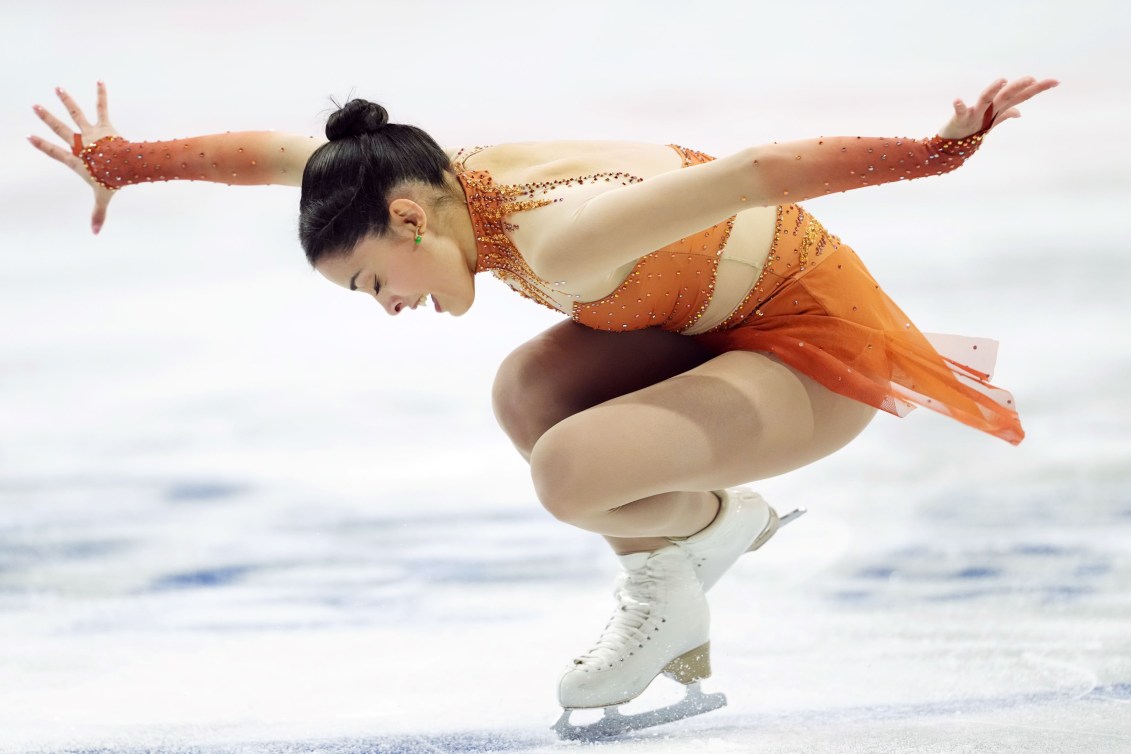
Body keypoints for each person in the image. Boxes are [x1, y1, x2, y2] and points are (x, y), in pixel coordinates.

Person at [30, 76, 1058, 737]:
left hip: (809, 348)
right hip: (711, 324)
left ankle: (716, 523)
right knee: (526, 390)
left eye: (372, 284)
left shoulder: (564, 238)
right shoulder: (414, 176)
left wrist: (932, 152)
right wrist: (132, 162)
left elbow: (755, 171)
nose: (389, 307)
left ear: (405, 220)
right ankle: (674, 578)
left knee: (570, 472)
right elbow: (270, 156)